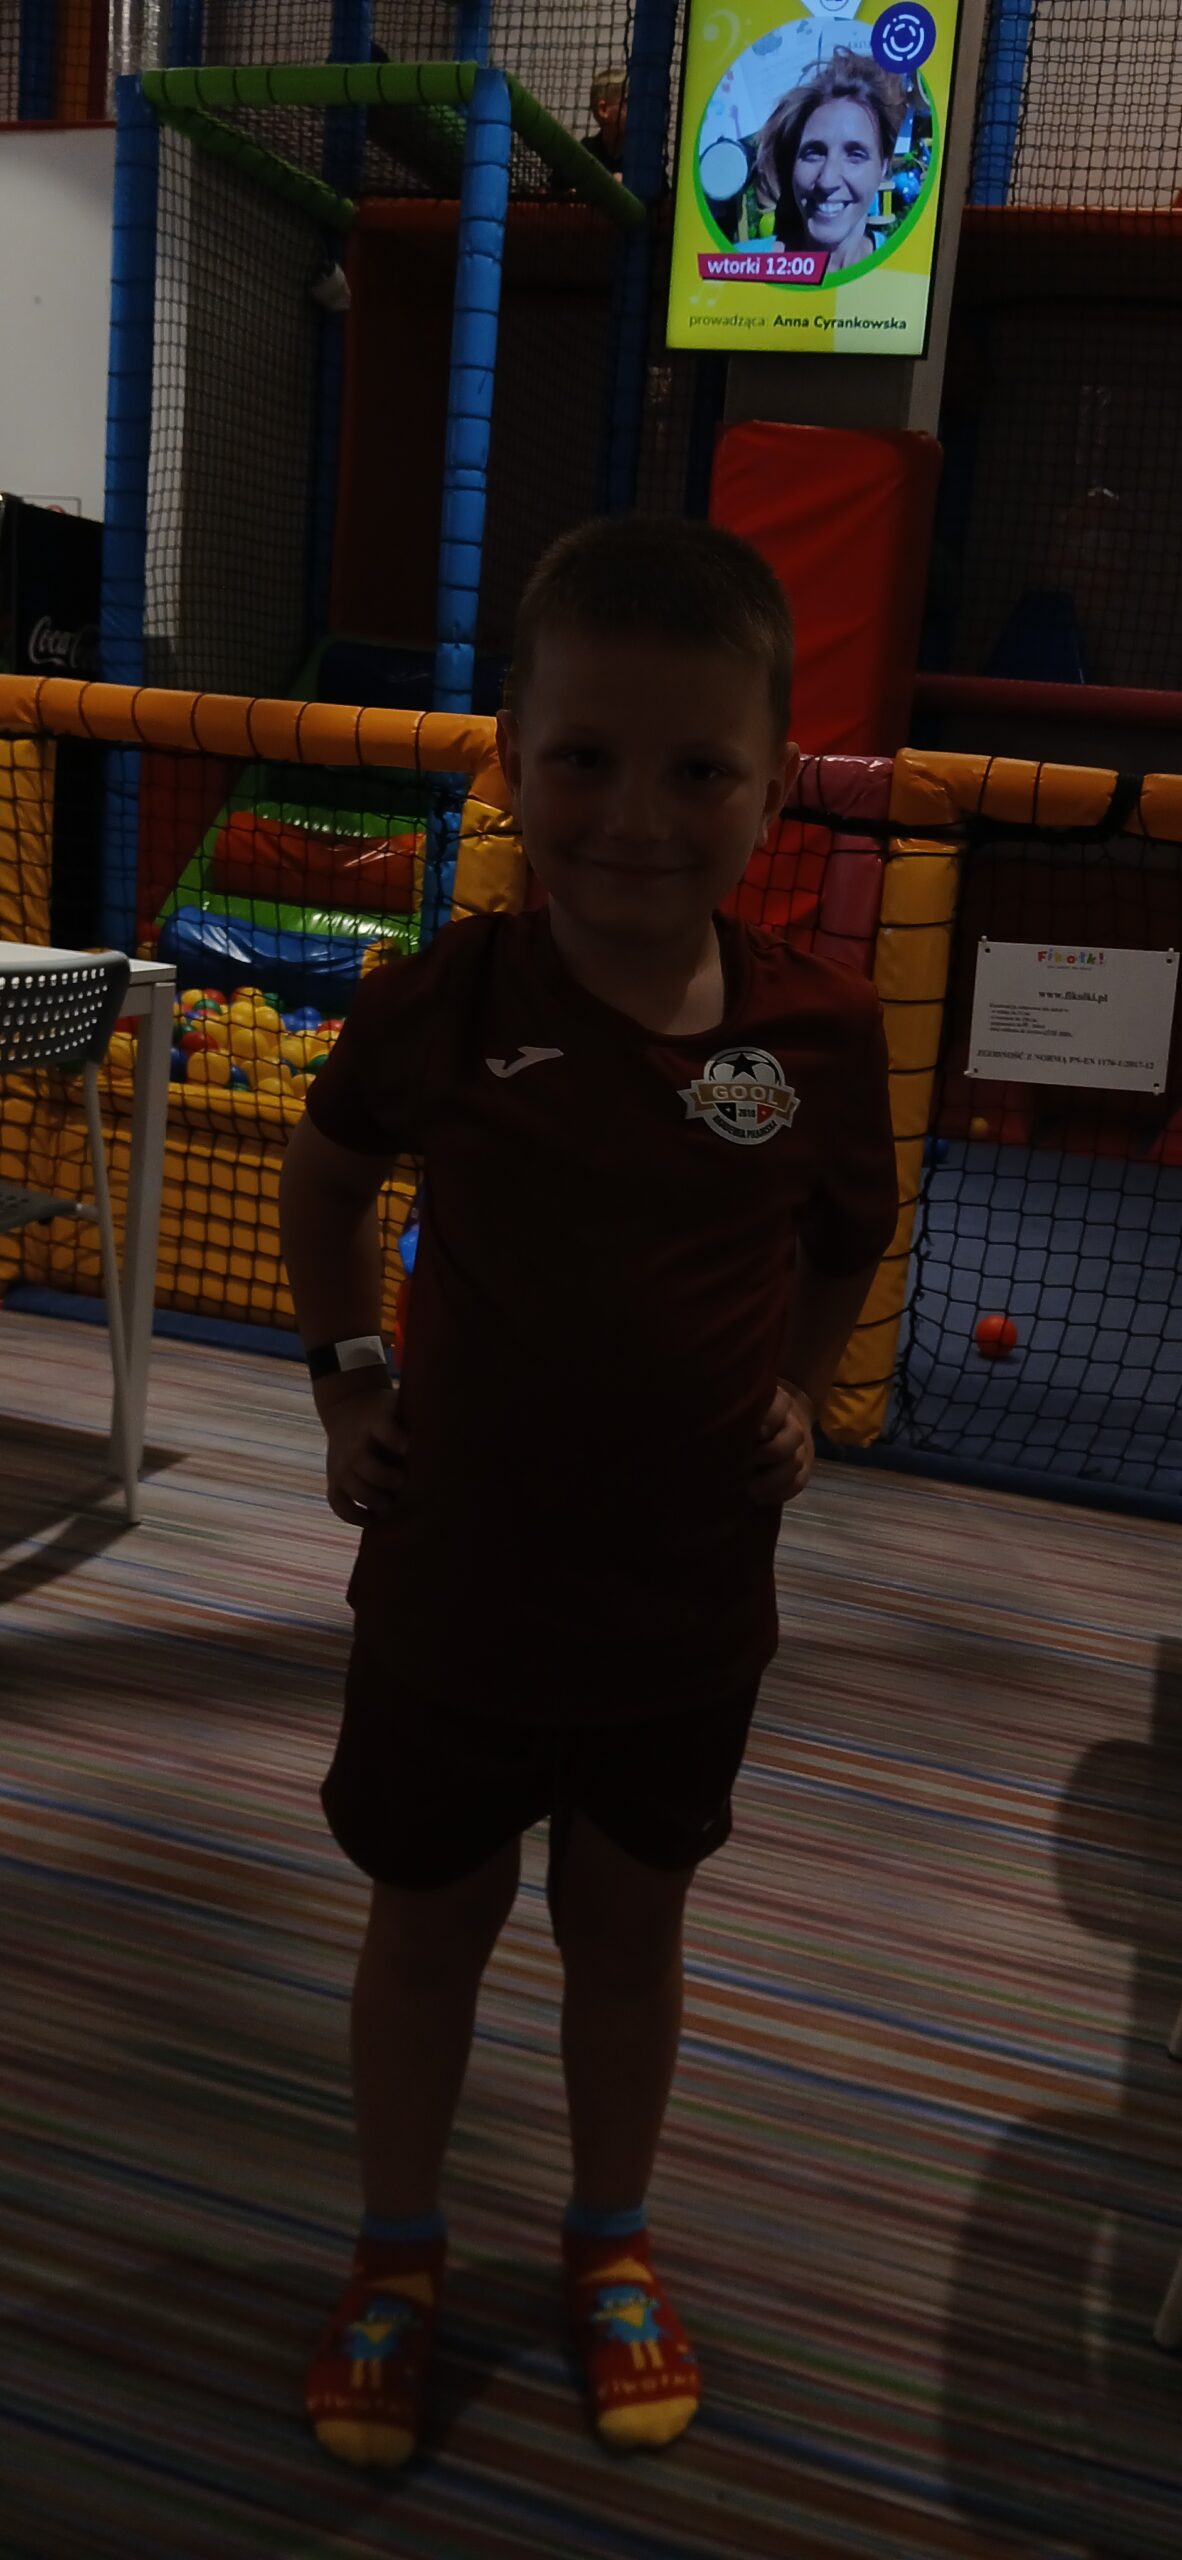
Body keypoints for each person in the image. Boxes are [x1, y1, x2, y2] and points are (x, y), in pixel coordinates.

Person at [280, 515, 898, 2470]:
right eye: (585, 759)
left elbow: (841, 1239)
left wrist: (797, 1393)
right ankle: (395, 2253)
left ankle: (610, 2240)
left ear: (774, 781)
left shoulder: (820, 1035)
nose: (636, 818)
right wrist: (346, 1377)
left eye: (697, 767)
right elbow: (323, 1174)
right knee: (428, 1928)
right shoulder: (447, 1000)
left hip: (683, 1607)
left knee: (629, 1935)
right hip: (454, 1588)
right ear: (511, 758)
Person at [755, 46, 908, 270]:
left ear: (883, 166)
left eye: (855, 155)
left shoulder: (904, 269)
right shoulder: (739, 268)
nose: (827, 180)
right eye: (813, 153)